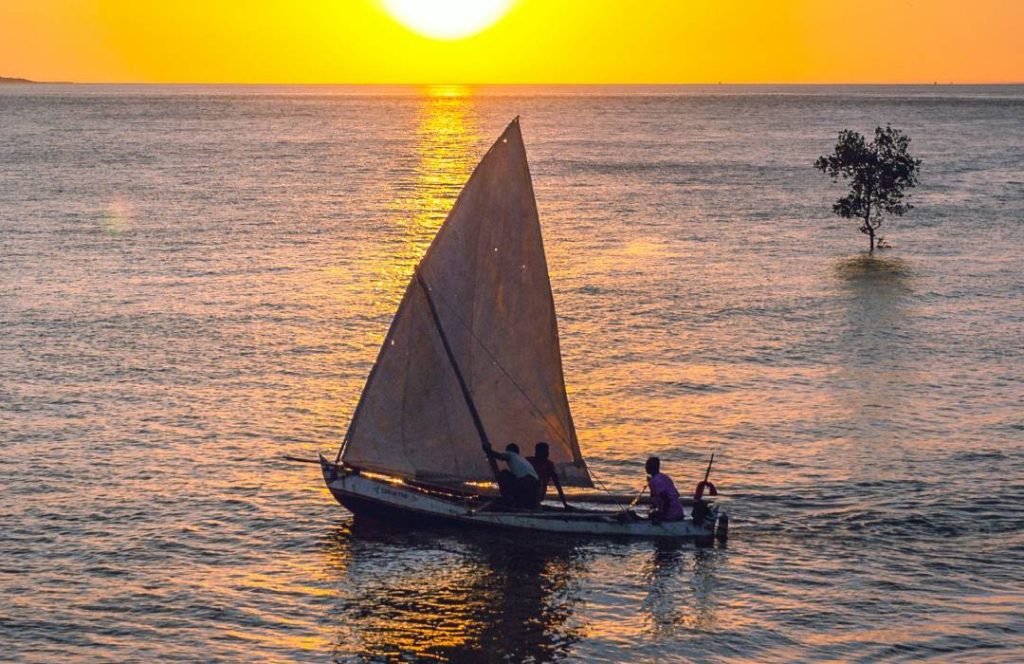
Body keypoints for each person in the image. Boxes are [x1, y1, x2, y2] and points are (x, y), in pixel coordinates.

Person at [482, 441, 540, 508]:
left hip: (526, 481)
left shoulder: (511, 454)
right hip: (536, 484)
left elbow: (500, 456)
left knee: (504, 474)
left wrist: (488, 450)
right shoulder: (522, 459)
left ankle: (509, 498)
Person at [527, 442, 571, 509]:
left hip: (539, 493)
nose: (547, 453)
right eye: (545, 452)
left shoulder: (549, 465)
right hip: (527, 491)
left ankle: (533, 503)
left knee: (538, 482)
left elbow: (557, 484)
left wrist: (564, 504)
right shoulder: (529, 461)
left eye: (547, 451)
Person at [645, 456, 684, 524]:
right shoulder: (664, 476)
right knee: (652, 513)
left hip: (671, 514)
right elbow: (677, 494)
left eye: (647, 465)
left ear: (652, 467)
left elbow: (666, 499)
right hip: (679, 512)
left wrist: (661, 517)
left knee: (651, 516)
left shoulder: (654, 481)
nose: (646, 467)